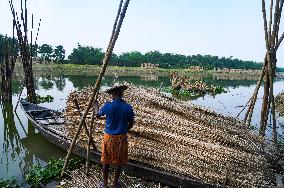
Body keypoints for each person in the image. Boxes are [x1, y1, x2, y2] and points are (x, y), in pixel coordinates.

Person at [96, 84, 135, 188]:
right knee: (118, 162)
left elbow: (97, 114)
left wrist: (95, 104)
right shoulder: (128, 107)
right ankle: (114, 185)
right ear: (121, 94)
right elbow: (131, 124)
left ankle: (104, 184)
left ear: (113, 94)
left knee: (106, 161)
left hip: (108, 138)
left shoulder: (107, 105)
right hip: (121, 138)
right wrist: (124, 130)